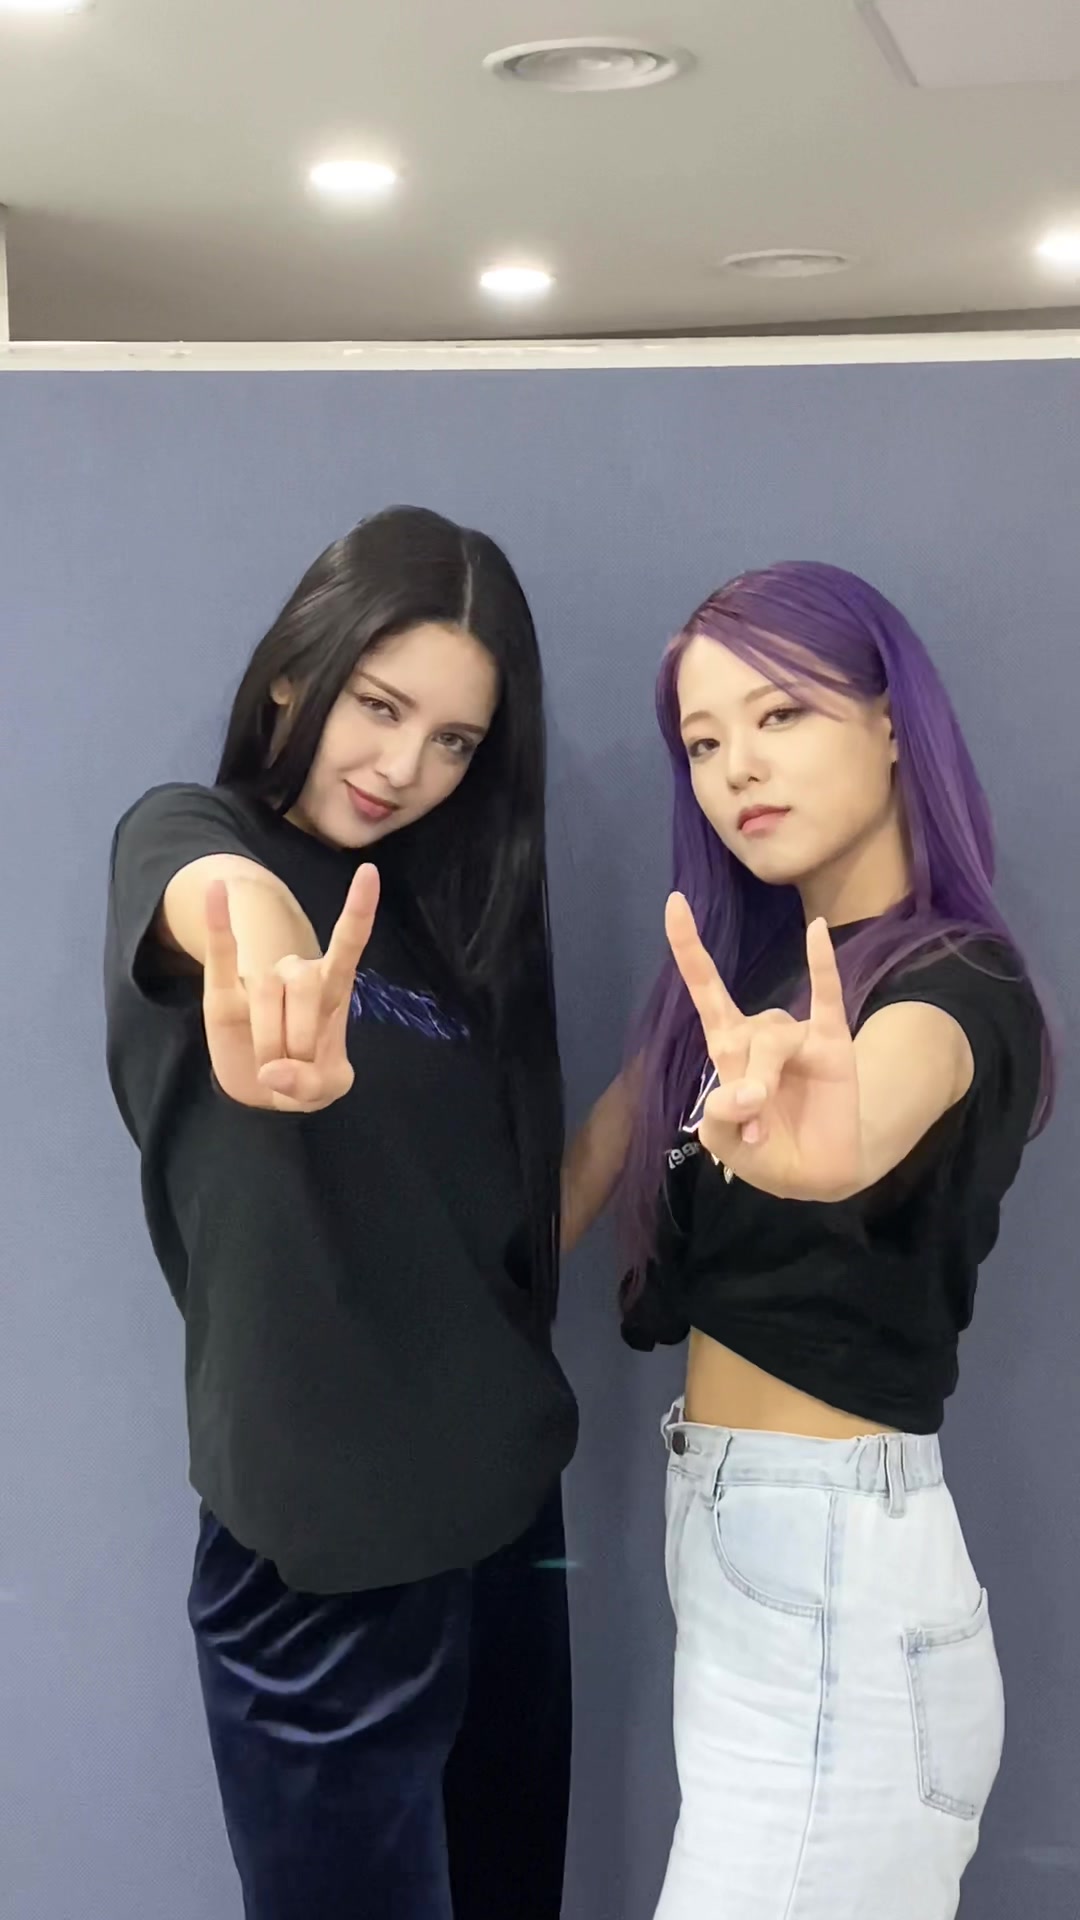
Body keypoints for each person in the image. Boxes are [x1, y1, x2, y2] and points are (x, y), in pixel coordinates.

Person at [104, 506, 585, 1920]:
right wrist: (256, 947)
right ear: (290, 676)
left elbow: (496, 1242)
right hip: (321, 1552)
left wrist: (658, 1107)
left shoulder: (447, 932)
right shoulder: (192, 833)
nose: (402, 767)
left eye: (454, 740)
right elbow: (214, 899)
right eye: (380, 705)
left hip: (505, 1517)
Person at [617, 562, 1052, 1920]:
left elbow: (894, 1084)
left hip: (833, 1587)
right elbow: (565, 1183)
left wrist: (839, 1142)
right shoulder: (736, 1006)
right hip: (759, 1571)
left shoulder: (954, 980)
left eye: (780, 714)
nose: (737, 767)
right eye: (702, 743)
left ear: (889, 721)